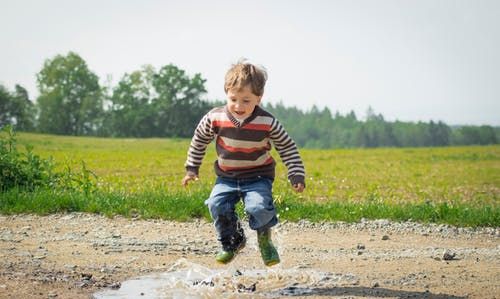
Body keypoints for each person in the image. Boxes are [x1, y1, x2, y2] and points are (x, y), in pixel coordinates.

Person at [182, 60, 305, 266]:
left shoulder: (267, 122)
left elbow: (287, 147)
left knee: (258, 208)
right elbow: (199, 140)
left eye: (246, 100)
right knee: (216, 204)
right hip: (226, 177)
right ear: (226, 93)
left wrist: (296, 174)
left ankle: (264, 240)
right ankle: (233, 241)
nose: (239, 106)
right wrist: (191, 168)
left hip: (258, 177)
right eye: (233, 99)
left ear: (259, 98)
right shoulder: (215, 117)